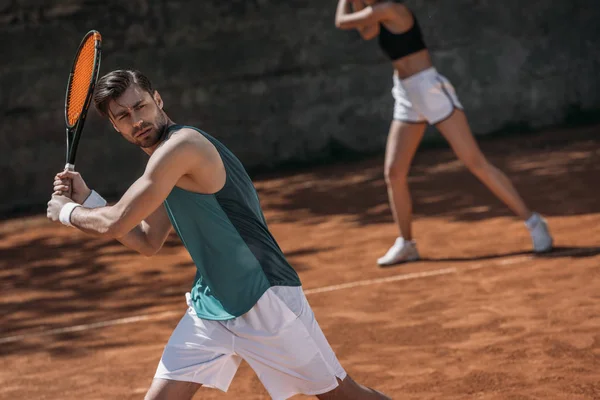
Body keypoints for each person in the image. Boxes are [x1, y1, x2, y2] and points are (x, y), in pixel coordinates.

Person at [46, 69, 390, 400]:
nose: (137, 120)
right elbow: (147, 241)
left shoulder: (183, 147)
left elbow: (115, 223)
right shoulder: (163, 164)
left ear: (158, 100)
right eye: (123, 116)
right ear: (114, 126)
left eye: (141, 106)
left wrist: (65, 211)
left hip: (264, 297)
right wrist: (88, 200)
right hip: (211, 303)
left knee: (344, 395)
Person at [335, 0, 553, 266]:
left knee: (475, 162)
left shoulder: (391, 9)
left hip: (429, 89)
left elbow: (343, 22)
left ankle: (533, 222)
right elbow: (365, 30)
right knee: (394, 173)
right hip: (406, 93)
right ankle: (407, 243)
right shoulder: (377, 16)